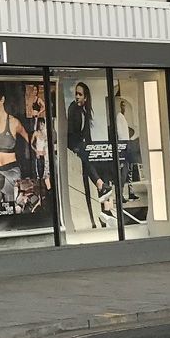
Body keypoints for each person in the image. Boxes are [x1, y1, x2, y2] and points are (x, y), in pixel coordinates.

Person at [65, 81, 108, 228]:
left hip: (83, 147)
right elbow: (70, 132)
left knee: (94, 165)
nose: (77, 97)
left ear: (86, 97)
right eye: (76, 94)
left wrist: (90, 148)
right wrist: (78, 149)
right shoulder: (73, 108)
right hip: (74, 148)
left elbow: (86, 134)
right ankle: (100, 184)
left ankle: (102, 211)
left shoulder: (85, 111)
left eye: (80, 94)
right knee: (87, 166)